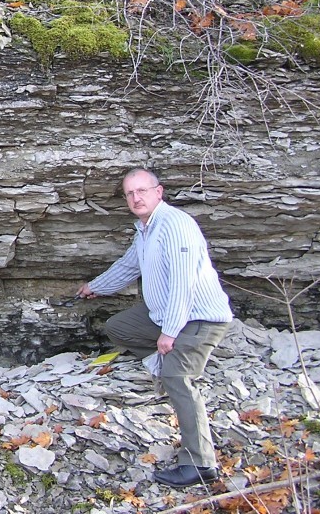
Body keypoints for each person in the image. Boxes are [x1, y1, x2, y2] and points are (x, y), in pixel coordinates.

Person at [77, 167, 233, 488]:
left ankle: (200, 463)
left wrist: (170, 332)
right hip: (167, 315)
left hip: (199, 318)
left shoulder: (176, 225)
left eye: (143, 191)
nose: (136, 197)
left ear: (158, 192)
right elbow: (128, 266)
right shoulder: (145, 230)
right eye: (130, 193)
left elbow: (183, 283)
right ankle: (165, 362)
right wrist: (96, 286)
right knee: (119, 326)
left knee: (179, 378)